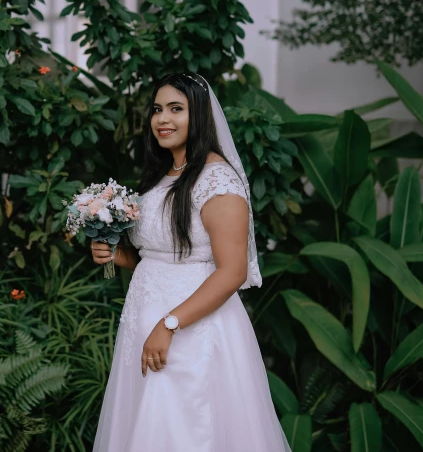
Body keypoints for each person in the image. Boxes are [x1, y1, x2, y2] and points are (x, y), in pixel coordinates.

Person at [90, 73, 291, 451]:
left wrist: (169, 325)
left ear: (198, 115)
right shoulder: (162, 176)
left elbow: (232, 271)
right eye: (157, 109)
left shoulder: (217, 181)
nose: (163, 119)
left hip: (192, 327)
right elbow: (162, 256)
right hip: (144, 319)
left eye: (176, 109)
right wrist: (118, 255)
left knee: (186, 427)